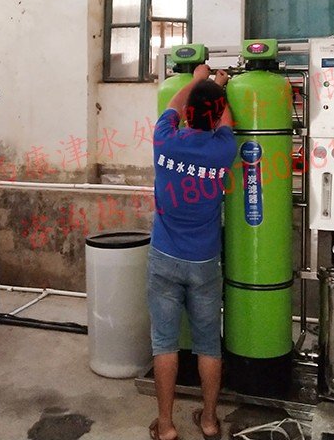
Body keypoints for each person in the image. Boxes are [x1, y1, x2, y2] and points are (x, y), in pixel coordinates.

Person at [147, 64, 236, 440]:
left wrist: (198, 79)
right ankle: (210, 420)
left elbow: (173, 105)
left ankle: (166, 426)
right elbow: (225, 118)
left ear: (187, 114)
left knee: (165, 343)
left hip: (164, 257)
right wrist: (220, 85)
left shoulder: (165, 140)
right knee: (208, 345)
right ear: (215, 117)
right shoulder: (223, 150)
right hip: (204, 262)